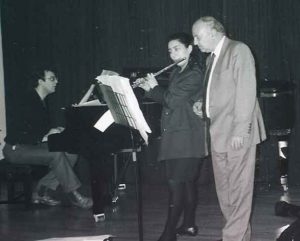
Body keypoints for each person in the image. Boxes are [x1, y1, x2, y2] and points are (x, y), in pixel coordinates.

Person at [192, 16, 266, 241]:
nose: (195, 42)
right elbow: (218, 93)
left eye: (198, 36)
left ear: (214, 32)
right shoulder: (210, 59)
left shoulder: (238, 50)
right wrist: (202, 106)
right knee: (226, 193)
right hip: (218, 133)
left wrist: (240, 131)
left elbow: (246, 92)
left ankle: (231, 238)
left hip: (236, 133)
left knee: (240, 191)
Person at [137, 32, 206, 241]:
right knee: (185, 183)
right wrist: (149, 88)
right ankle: (189, 225)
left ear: (190, 49)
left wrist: (153, 88)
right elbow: (173, 98)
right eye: (170, 51)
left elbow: (171, 100)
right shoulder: (178, 71)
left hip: (187, 137)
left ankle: (168, 234)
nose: (172, 54)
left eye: (177, 48)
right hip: (178, 134)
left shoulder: (194, 73)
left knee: (176, 183)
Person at [3, 67, 93, 209]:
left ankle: (40, 191)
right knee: (56, 154)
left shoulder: (41, 101)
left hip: (31, 145)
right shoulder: (27, 101)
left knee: (71, 152)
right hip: (15, 148)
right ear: (40, 82)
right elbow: (18, 132)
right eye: (52, 79)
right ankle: (75, 195)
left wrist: (56, 131)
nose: (56, 81)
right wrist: (45, 135)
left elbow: (40, 129)